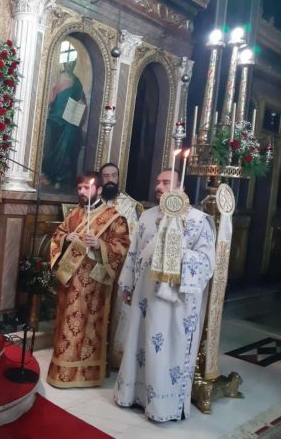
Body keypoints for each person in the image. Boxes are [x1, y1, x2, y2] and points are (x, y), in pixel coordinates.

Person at [114, 170, 216, 422]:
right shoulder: (147, 216)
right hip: (143, 297)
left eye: (166, 182)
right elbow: (134, 253)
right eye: (157, 182)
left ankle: (163, 405)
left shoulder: (198, 220)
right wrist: (127, 286)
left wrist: (177, 253)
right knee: (139, 343)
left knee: (168, 350)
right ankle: (134, 395)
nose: (158, 186)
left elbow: (206, 263)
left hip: (177, 303)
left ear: (181, 188)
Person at [47, 171, 130, 388]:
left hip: (94, 283)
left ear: (99, 190)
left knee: (89, 327)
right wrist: (66, 237)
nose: (82, 192)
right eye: (80, 188)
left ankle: (86, 373)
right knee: (66, 326)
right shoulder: (74, 214)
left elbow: (122, 246)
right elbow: (57, 235)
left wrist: (100, 245)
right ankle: (62, 369)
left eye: (87, 187)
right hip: (69, 279)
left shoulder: (114, 217)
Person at [99, 162, 143, 368]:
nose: (109, 179)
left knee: (118, 309)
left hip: (119, 264)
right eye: (105, 176)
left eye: (113, 175)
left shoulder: (129, 205)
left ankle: (114, 357)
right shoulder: (94, 201)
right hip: (95, 261)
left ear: (118, 178)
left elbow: (131, 238)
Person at [41, 65, 87, 190]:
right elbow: (50, 99)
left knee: (70, 141)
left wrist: (78, 113)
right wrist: (53, 88)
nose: (69, 65)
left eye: (73, 62)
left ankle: (61, 178)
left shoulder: (77, 82)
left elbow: (82, 102)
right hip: (54, 120)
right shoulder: (57, 76)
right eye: (68, 62)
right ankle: (49, 175)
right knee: (49, 146)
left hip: (69, 121)